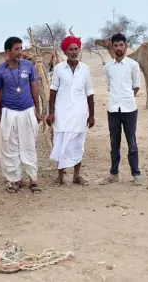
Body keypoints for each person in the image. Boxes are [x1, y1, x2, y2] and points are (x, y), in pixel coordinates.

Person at [0, 36, 42, 193]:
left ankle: (33, 179)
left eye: (21, 48)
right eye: (17, 49)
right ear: (8, 51)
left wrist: (38, 109)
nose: (20, 52)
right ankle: (15, 180)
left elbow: (34, 87)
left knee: (29, 145)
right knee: (9, 146)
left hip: (27, 110)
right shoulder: (0, 70)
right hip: (9, 112)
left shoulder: (28, 66)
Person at [47, 35, 95, 186]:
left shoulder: (85, 69)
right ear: (65, 52)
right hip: (62, 114)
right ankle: (60, 177)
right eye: (71, 49)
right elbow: (53, 92)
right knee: (60, 143)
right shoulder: (59, 69)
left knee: (77, 144)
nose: (74, 52)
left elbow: (89, 93)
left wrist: (92, 115)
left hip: (80, 114)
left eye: (76, 49)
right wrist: (51, 112)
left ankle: (76, 176)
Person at [100, 33, 143, 186]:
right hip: (113, 109)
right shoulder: (108, 67)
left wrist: (127, 98)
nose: (118, 48)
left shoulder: (133, 65)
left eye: (121, 45)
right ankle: (113, 173)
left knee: (131, 142)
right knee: (114, 142)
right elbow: (109, 85)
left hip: (129, 109)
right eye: (115, 45)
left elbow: (136, 86)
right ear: (112, 47)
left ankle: (136, 173)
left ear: (126, 46)